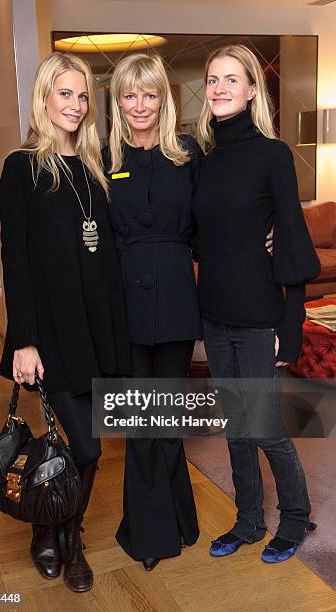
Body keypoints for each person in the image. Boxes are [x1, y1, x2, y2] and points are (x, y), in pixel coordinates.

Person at [0, 52, 131, 592]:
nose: (75, 105)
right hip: (53, 331)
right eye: (65, 93)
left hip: (101, 326)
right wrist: (24, 341)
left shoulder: (98, 168)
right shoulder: (22, 166)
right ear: (45, 98)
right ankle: (55, 531)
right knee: (85, 446)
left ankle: (61, 536)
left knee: (85, 445)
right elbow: (15, 259)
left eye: (82, 95)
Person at [194, 44, 320, 563]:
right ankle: (248, 522)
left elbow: (293, 247)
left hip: (258, 320)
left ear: (251, 91)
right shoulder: (200, 160)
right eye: (212, 79)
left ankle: (293, 519)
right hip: (215, 317)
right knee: (236, 430)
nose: (220, 88)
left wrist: (287, 330)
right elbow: (201, 239)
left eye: (231, 79)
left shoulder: (273, 155)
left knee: (265, 428)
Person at [103, 53, 202, 571]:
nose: (140, 105)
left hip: (178, 302)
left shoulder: (188, 152)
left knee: (167, 416)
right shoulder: (104, 156)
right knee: (139, 419)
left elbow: (214, 217)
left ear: (163, 98)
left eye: (149, 94)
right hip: (125, 304)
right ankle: (149, 533)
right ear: (117, 100)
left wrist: (264, 235)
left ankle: (179, 520)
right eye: (129, 94)